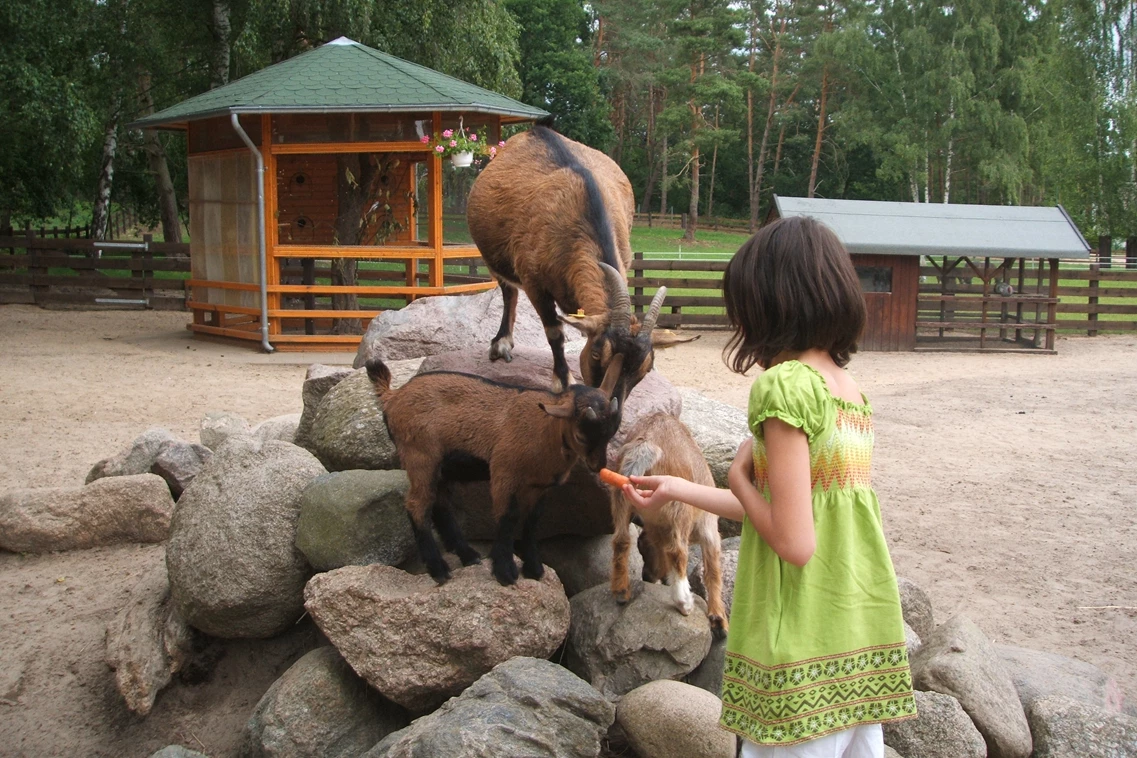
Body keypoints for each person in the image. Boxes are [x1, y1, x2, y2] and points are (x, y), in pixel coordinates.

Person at [621, 216, 916, 757]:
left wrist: (735, 473)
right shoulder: (847, 389)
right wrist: (677, 489)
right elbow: (792, 507)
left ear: (770, 305)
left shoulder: (783, 386)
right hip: (855, 637)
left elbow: (793, 541)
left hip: (799, 643)